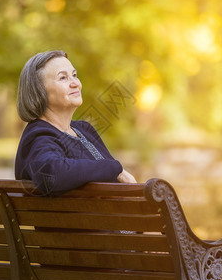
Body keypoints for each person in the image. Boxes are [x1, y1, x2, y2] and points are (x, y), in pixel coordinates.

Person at [15, 50, 136, 196]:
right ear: (39, 92)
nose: (75, 83)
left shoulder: (84, 129)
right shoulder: (38, 137)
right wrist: (114, 167)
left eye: (74, 75)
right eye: (63, 78)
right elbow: (51, 174)